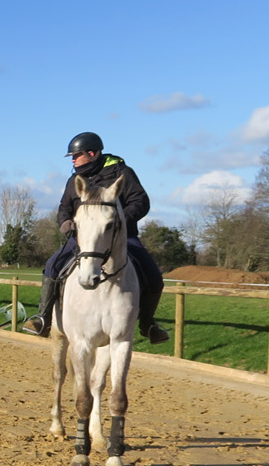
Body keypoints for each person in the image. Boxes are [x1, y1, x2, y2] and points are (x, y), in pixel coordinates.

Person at [23, 132, 168, 343]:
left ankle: (148, 324)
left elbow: (141, 201)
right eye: (72, 156)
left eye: (76, 155)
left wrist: (116, 222)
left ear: (92, 153)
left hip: (120, 238)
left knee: (154, 275)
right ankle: (43, 317)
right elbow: (64, 207)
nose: (73, 160)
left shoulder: (123, 173)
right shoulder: (75, 180)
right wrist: (65, 222)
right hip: (83, 239)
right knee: (52, 265)